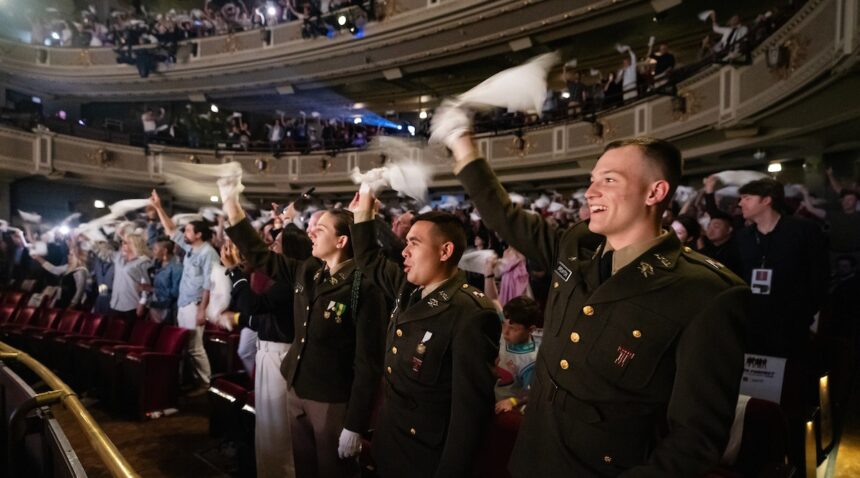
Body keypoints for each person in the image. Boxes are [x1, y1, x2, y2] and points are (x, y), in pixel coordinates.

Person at [436, 108, 748, 476]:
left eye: (609, 180)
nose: (590, 191)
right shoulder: (577, 243)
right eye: (592, 179)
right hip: (531, 459)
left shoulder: (706, 294)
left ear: (655, 191)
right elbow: (506, 217)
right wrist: (463, 146)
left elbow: (695, 442)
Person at [222, 195, 386, 478]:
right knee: (304, 468)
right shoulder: (309, 270)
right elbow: (260, 255)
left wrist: (356, 424)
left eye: (320, 229)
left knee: (334, 472)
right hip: (297, 388)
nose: (311, 232)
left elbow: (368, 362)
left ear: (341, 242)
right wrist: (232, 208)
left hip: (331, 399)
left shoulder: (363, 287)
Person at [349, 190, 501, 478]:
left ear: (445, 251)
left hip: (424, 460)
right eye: (406, 243)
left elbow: (469, 415)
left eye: (414, 243)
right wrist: (362, 214)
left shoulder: (470, 313)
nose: (404, 251)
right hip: (389, 444)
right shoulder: (409, 289)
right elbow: (369, 259)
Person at [223, 225, 311, 478]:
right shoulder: (282, 279)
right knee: (267, 428)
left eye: (278, 242)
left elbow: (254, 305)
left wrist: (233, 272)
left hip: (280, 357)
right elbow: (262, 319)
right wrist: (236, 319)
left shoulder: (290, 280)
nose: (272, 246)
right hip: (269, 353)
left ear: (291, 249)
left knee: (278, 430)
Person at [736, 178, 828, 357]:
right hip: (753, 322)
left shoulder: (803, 230)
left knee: (790, 378)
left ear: (766, 200)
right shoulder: (744, 237)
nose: (740, 203)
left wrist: (805, 313)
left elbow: (819, 274)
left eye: (747, 198)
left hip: (792, 322)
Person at [149, 191, 218, 395]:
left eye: (188, 230)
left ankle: (205, 384)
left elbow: (209, 284)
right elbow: (170, 230)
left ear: (198, 234)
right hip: (184, 303)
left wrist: (202, 310)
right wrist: (159, 207)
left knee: (195, 347)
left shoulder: (208, 253)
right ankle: (193, 380)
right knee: (187, 346)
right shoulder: (191, 248)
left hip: (196, 304)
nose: (184, 233)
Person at [494, 296, 541, 415]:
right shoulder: (506, 328)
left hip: (502, 407)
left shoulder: (531, 361)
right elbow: (494, 300)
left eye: (513, 329)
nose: (505, 332)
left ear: (531, 329)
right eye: (504, 325)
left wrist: (513, 401)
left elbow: (532, 394)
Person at [109, 232, 152, 320]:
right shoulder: (119, 258)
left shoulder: (143, 262)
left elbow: (146, 285)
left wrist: (142, 303)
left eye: (125, 242)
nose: (122, 244)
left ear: (133, 244)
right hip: (115, 302)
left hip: (132, 304)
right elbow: (105, 253)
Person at [33, 244, 90, 309]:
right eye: (69, 254)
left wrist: (71, 306)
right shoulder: (68, 267)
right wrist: (38, 258)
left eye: (71, 255)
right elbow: (54, 269)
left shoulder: (81, 271)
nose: (68, 256)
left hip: (70, 306)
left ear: (78, 256)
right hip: (62, 302)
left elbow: (79, 293)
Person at [141, 236, 182, 323]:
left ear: (164, 251)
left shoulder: (177, 268)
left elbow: (175, 292)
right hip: (155, 306)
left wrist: (153, 289)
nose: (153, 252)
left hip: (168, 310)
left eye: (155, 249)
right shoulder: (156, 264)